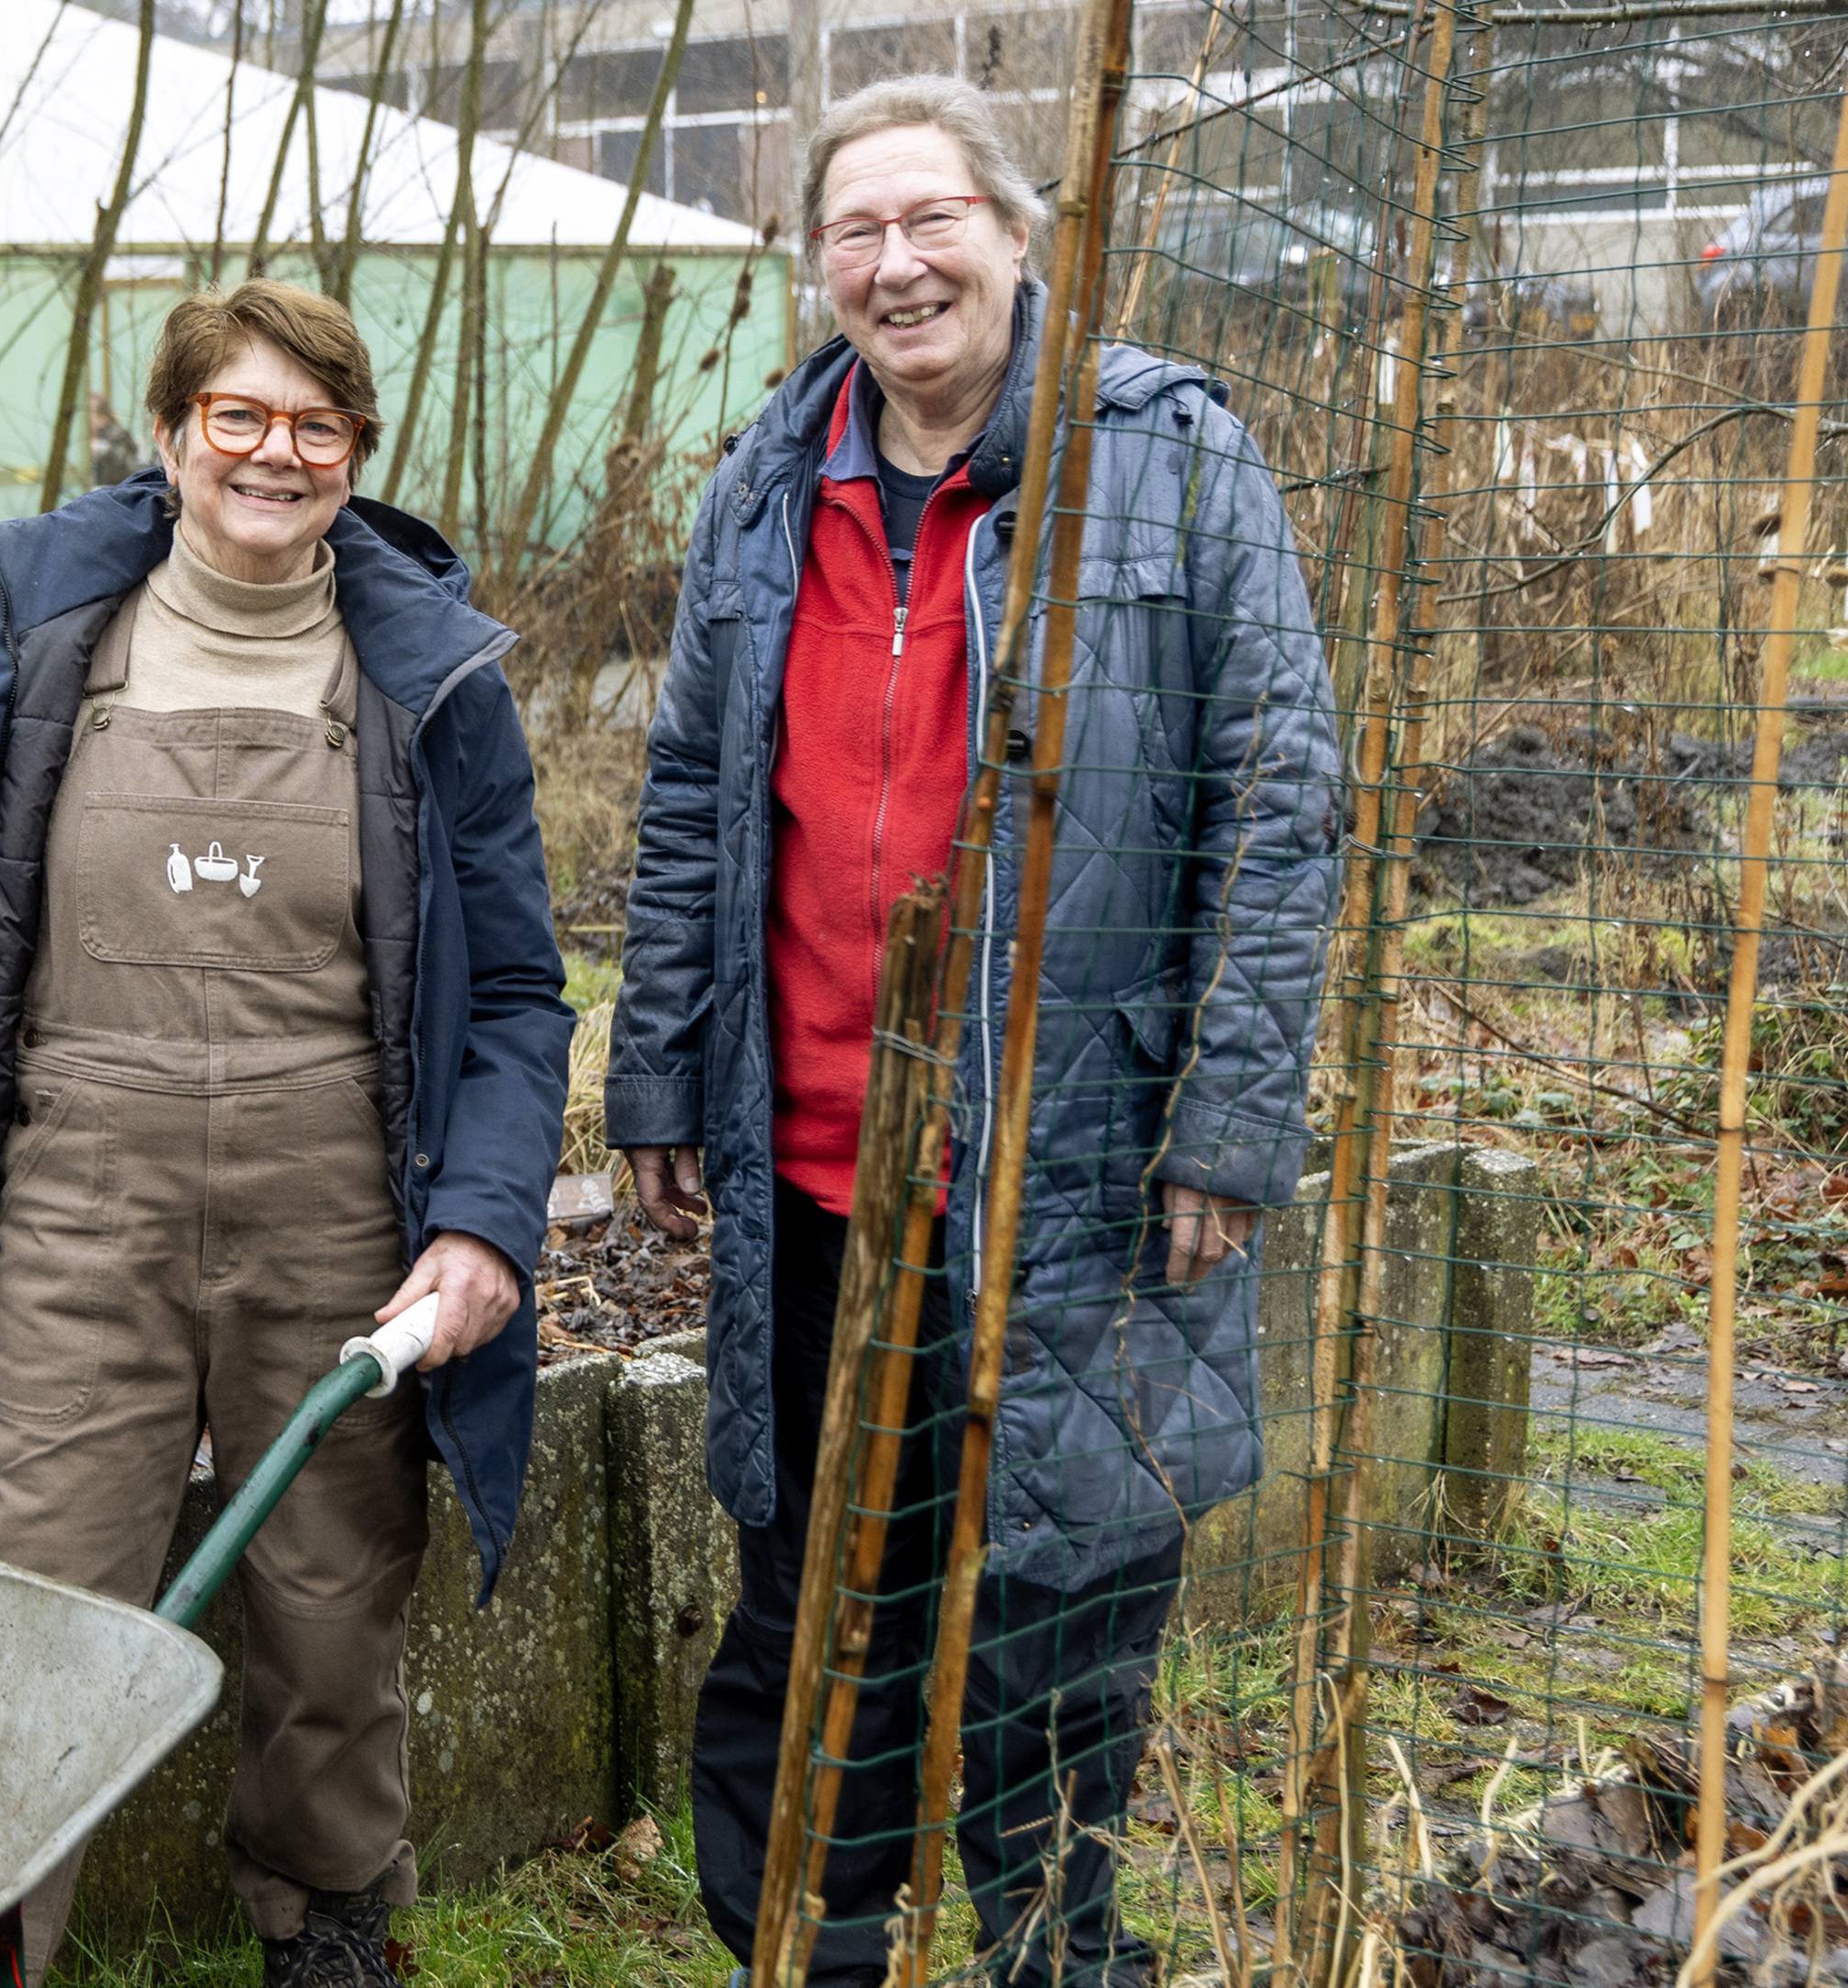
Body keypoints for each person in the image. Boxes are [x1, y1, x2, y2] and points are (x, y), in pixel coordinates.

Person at [604, 76, 1343, 1988]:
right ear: (819, 270)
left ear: (1019, 238)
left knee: (1058, 1611)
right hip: (817, 1165)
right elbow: (694, 797)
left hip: (1073, 1168)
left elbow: (1280, 797)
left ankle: (1046, 1958)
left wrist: (1228, 1124)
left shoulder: (1166, 460)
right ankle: (808, 1953)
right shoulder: (769, 484)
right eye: (854, 229)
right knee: (812, 1610)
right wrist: (666, 1072)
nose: (895, 261)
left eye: (932, 218)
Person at [0, 278, 571, 1988]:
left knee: (328, 1600)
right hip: (84, 1196)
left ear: (357, 457)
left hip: (337, 1210)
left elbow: (516, 988)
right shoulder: (56, 636)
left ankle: (326, 1923)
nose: (274, 455)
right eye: (239, 417)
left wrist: (486, 1225)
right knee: (26, 1603)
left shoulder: (431, 681)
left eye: (316, 426)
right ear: (172, 434)